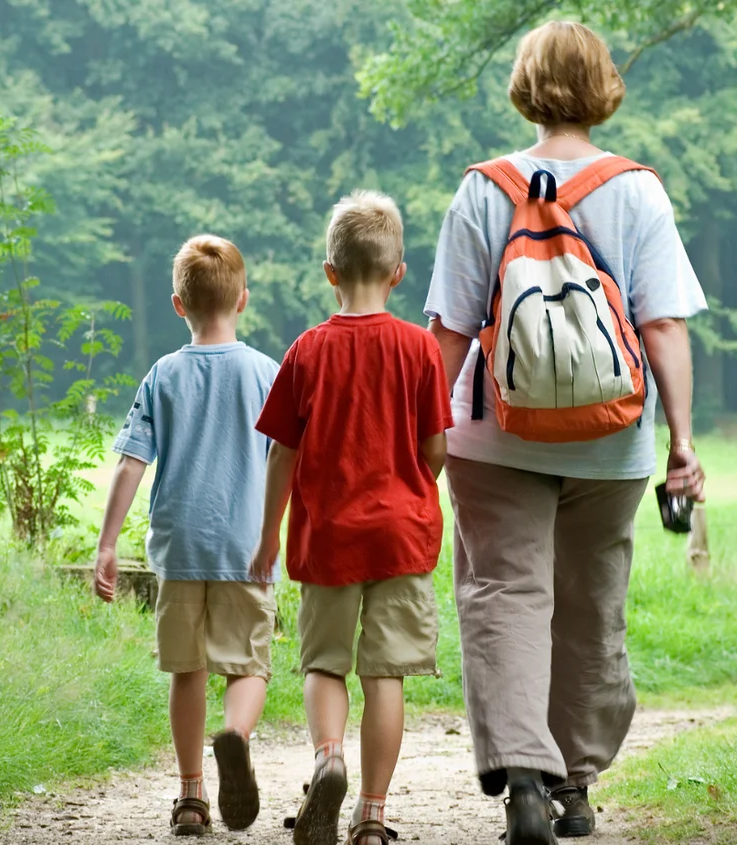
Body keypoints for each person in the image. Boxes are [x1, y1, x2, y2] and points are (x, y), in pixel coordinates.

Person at [425, 20, 708, 845]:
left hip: (492, 435)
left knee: (504, 593)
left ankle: (523, 772)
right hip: (612, 440)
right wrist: (681, 441)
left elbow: (446, 330)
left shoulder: (482, 188)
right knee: (589, 602)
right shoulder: (639, 190)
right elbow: (663, 327)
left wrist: (421, 432)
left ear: (524, 88)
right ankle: (574, 781)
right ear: (603, 87)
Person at [250, 191, 452, 845]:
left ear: (329, 271)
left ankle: (328, 756)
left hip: (327, 535)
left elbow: (282, 453)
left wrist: (266, 537)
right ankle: (370, 811)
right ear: (398, 273)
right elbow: (435, 449)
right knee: (385, 672)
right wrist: (418, 488)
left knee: (325, 664)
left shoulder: (306, 351)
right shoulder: (420, 349)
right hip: (401, 535)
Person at [93, 234, 280, 837]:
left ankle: (193, 797)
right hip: (246, 549)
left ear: (179, 305)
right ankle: (237, 735)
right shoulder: (265, 374)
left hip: (180, 550)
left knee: (187, 671)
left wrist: (106, 544)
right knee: (248, 663)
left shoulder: (163, 376)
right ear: (243, 299)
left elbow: (130, 464)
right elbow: (292, 460)